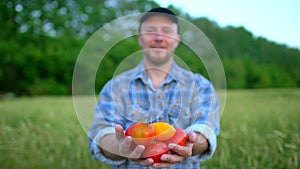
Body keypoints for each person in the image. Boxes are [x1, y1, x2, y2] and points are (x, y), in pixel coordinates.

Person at [88, 7, 220, 169]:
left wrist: (191, 144)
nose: (159, 38)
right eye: (151, 31)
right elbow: (101, 133)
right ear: (140, 39)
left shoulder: (200, 86)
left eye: (166, 31)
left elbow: (207, 129)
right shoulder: (115, 87)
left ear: (177, 40)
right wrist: (119, 148)